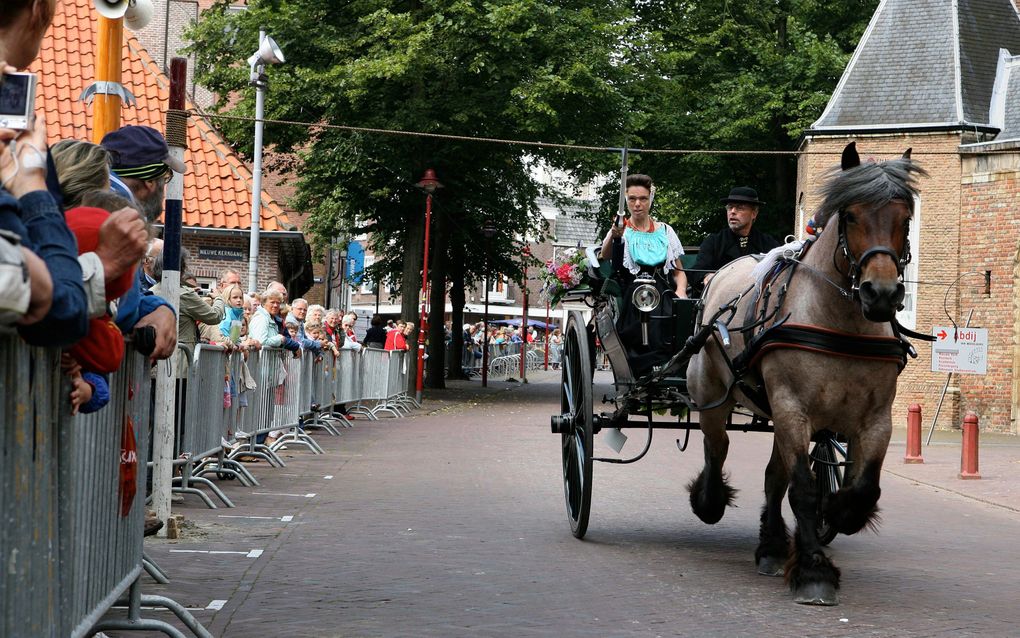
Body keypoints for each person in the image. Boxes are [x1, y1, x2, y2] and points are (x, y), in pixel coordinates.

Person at [597, 174, 688, 376]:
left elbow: (678, 271)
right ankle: (644, 368)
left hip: (662, 289)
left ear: (650, 200)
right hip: (632, 290)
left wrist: (681, 291)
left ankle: (675, 365)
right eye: (632, 199)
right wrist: (614, 234)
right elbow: (605, 254)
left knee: (677, 317)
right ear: (626, 201)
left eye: (643, 199)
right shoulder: (621, 229)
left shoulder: (665, 230)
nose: (637, 204)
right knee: (642, 318)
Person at [687, 186, 781, 296]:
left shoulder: (768, 244)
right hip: (720, 302)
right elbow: (696, 271)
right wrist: (706, 276)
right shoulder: (714, 241)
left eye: (740, 208)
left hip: (756, 303)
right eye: (730, 207)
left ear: (754, 214)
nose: (732, 212)